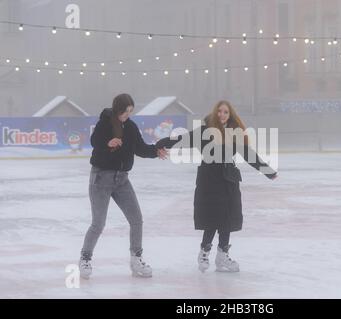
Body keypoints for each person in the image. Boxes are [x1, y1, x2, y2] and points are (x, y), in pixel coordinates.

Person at [156, 100, 277, 273]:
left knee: (227, 218)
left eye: (225, 112)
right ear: (215, 113)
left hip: (229, 180)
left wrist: (268, 171)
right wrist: (160, 144)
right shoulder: (204, 132)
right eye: (219, 111)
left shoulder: (234, 133)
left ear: (230, 115)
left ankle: (222, 255)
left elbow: (249, 154)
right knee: (213, 218)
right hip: (209, 181)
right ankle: (204, 252)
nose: (222, 114)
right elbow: (181, 140)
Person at [79, 93, 168, 279]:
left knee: (136, 219)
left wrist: (155, 152)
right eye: (125, 111)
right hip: (101, 178)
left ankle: (136, 258)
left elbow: (141, 148)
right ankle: (85, 258)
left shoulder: (131, 127)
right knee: (98, 223)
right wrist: (107, 142)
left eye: (130, 111)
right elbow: (94, 141)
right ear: (117, 109)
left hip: (122, 180)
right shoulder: (105, 123)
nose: (127, 115)